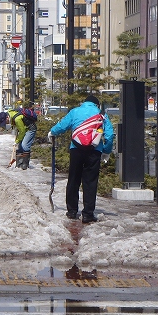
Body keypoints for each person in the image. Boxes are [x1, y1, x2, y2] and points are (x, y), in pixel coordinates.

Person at [47, 95, 114, 224]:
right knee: (90, 182)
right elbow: (109, 135)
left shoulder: (75, 112)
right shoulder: (101, 114)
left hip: (76, 149)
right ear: (97, 104)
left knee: (73, 179)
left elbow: (63, 125)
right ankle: (88, 214)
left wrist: (52, 132)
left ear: (84, 102)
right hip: (94, 151)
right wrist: (106, 151)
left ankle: (72, 211)